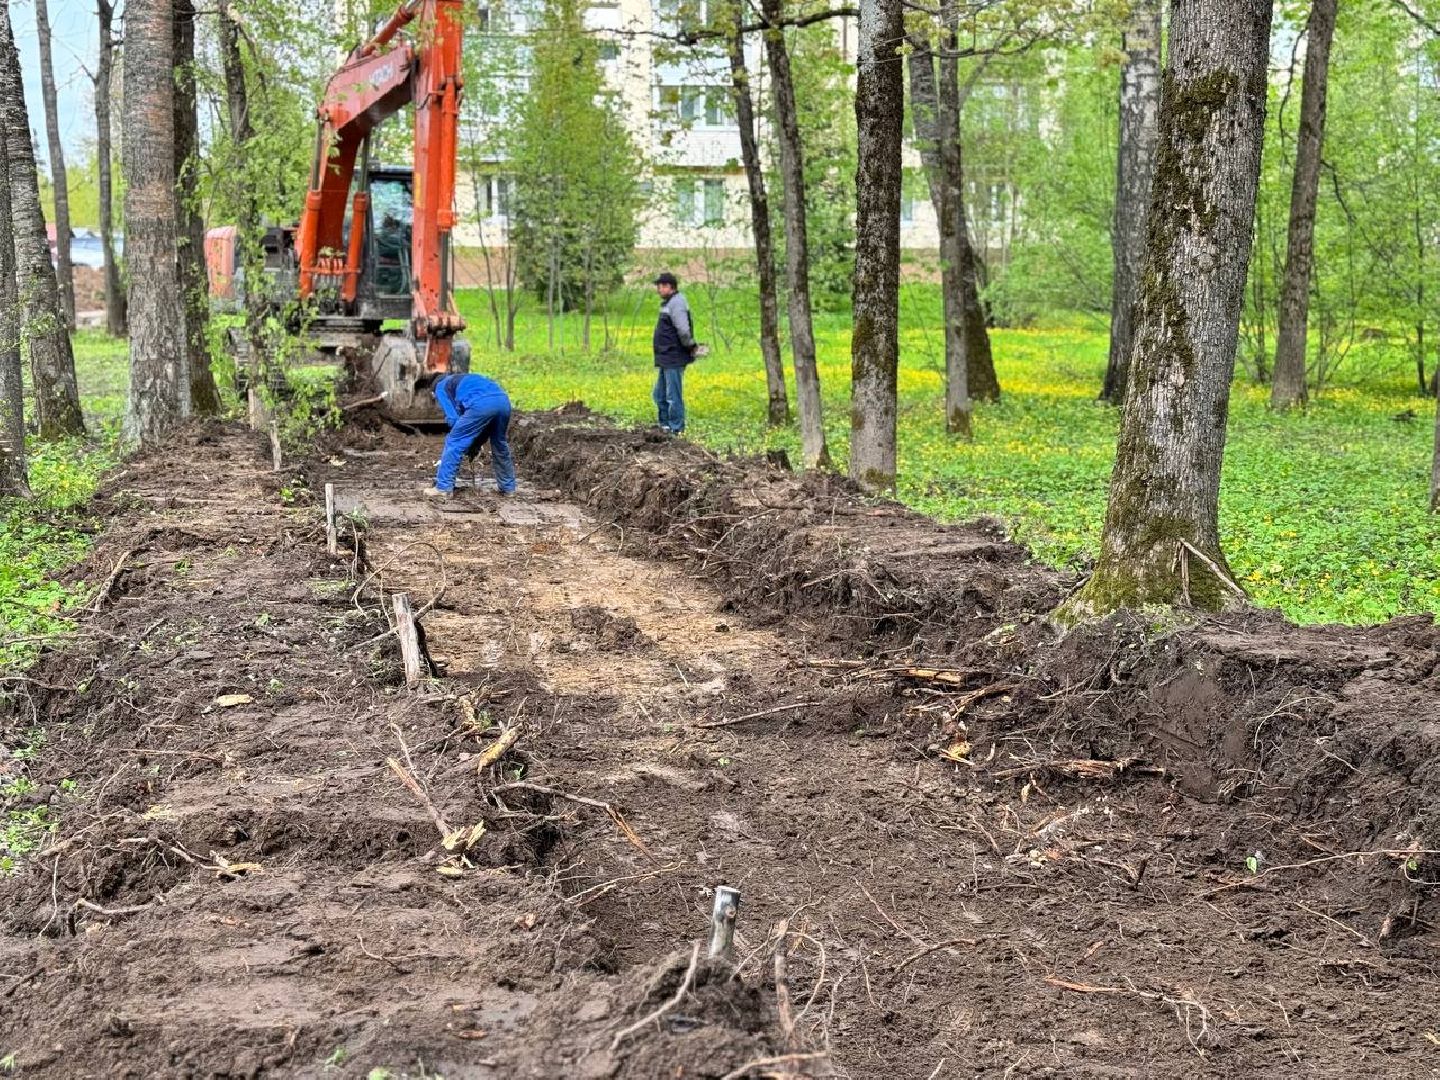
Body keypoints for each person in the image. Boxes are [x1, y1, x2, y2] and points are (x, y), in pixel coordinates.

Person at [424, 371, 517, 498]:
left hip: (481, 404)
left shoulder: (440, 386)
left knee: (454, 441)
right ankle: (508, 488)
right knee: (499, 443)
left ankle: (443, 488)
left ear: (432, 390)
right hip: (502, 401)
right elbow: (480, 426)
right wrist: (475, 444)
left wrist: (465, 441)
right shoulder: (463, 379)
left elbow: (453, 418)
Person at [652, 271, 697, 434]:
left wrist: (691, 346)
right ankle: (664, 426)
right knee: (659, 394)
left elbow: (683, 330)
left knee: (672, 396)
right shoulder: (668, 303)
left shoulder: (677, 303)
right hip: (666, 357)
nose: (659, 289)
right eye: (658, 286)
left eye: (662, 286)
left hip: (674, 357)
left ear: (671, 287)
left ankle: (676, 429)